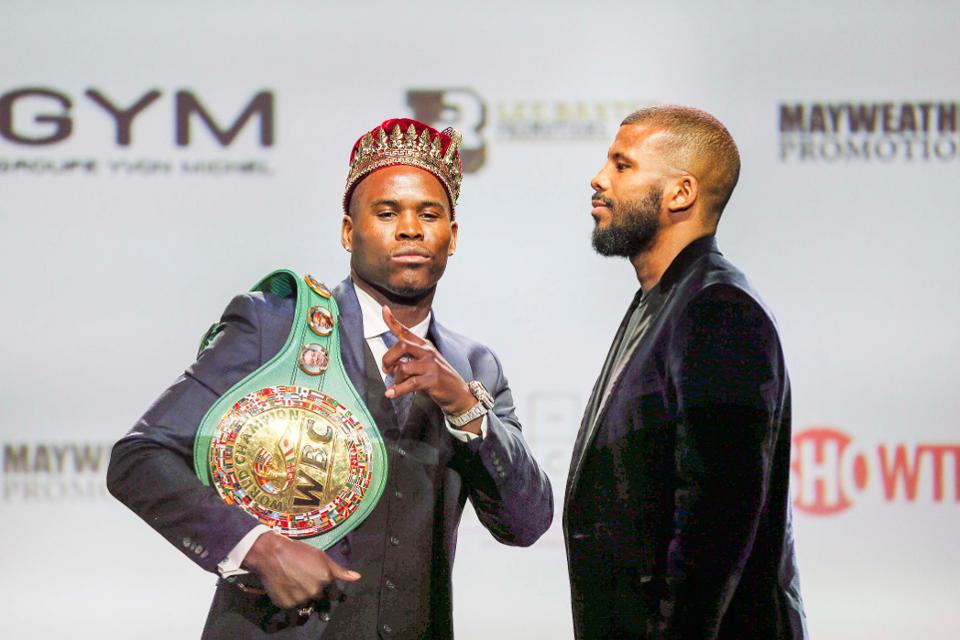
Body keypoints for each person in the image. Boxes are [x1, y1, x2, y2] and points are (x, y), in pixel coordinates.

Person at [107, 117, 553, 639]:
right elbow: (139, 457)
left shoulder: (476, 368)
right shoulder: (276, 325)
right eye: (386, 212)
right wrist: (255, 547)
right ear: (347, 231)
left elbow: (525, 523)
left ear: (451, 237)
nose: (410, 228)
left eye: (429, 214)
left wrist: (465, 408)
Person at [563, 105, 806, 639]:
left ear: (681, 193)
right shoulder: (664, 302)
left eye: (622, 165)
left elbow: (718, 520)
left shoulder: (718, 309)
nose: (598, 179)